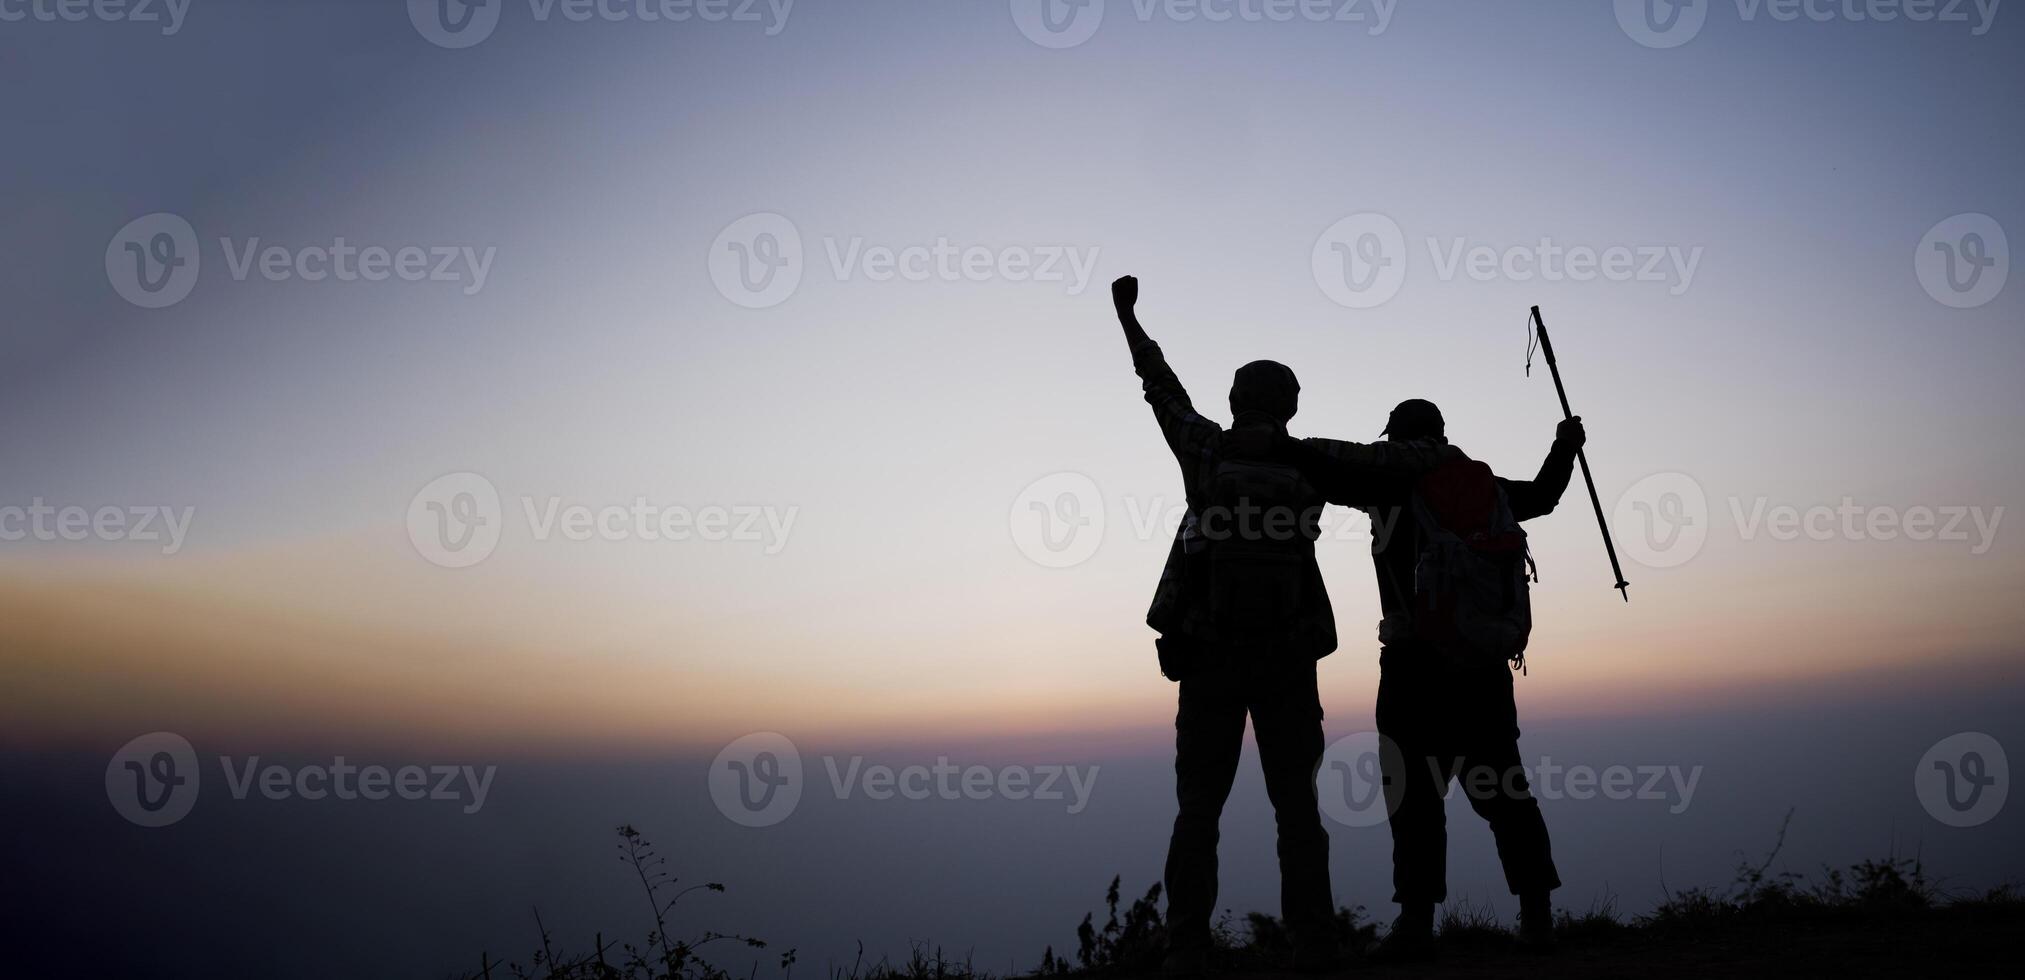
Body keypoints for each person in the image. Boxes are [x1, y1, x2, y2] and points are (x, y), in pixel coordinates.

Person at [1110, 276, 1442, 974]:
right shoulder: (1308, 459)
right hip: (1287, 658)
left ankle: (1186, 946)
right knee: (1295, 806)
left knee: (1197, 806)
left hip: (1207, 657)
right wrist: (1447, 453)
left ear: (1234, 403)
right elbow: (1395, 462)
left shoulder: (1204, 450)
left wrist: (1128, 319)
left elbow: (1160, 389)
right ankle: (1313, 942)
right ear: (1289, 406)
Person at [1300, 398, 1584, 957]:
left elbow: (1325, 473)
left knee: (1413, 796)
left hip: (1413, 667)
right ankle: (1537, 917)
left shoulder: (1386, 491)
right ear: (1442, 433)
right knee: (1505, 789)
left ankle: (1415, 924)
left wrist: (1270, 442)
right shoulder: (1487, 491)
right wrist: (1564, 446)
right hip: (1482, 668)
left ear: (1396, 438)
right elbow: (1544, 498)